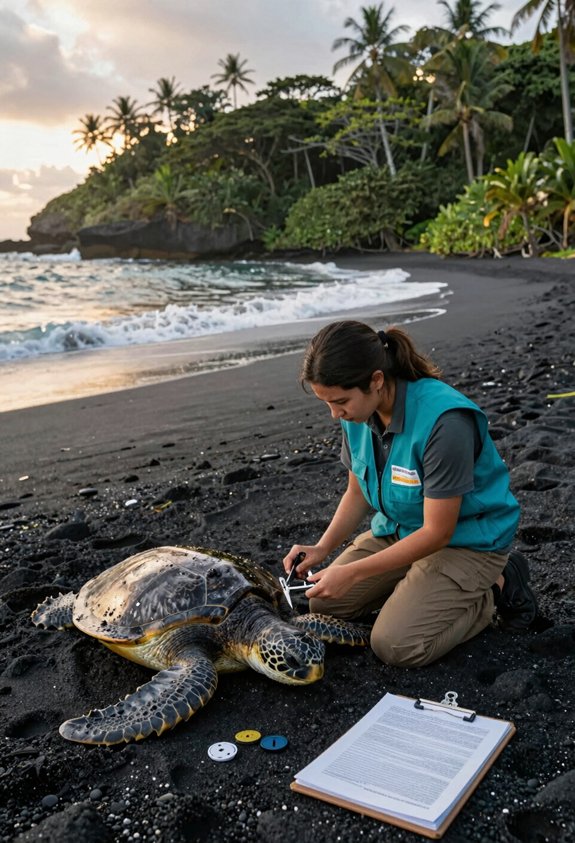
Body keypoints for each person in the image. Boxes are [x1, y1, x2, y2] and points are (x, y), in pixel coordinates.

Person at [283, 320, 538, 668]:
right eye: (326, 403)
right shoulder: (359, 412)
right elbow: (357, 490)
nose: (335, 414)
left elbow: (439, 532)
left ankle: (497, 587)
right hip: (400, 530)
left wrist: (355, 573)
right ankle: (420, 586)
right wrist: (322, 548)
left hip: (466, 541)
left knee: (396, 645)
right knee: (325, 605)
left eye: (340, 401)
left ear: (376, 380)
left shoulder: (445, 422)